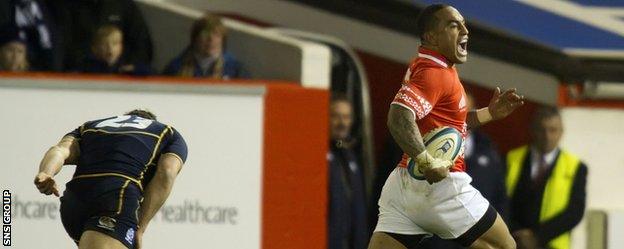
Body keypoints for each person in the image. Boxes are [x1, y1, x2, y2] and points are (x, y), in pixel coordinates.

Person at [368, 4, 524, 249]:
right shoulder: (435, 74)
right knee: (505, 246)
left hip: (403, 185)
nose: (465, 30)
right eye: (454, 25)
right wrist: (427, 161)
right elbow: (398, 117)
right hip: (442, 188)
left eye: (463, 24)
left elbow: (449, 122)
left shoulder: (430, 66)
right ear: (431, 36)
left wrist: (489, 113)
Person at [34, 110, 188, 249]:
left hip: (73, 202)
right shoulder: (167, 132)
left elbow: (61, 150)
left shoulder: (89, 127)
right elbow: (167, 172)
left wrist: (46, 172)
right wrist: (140, 229)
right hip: (115, 198)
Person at [418, 92, 509, 249]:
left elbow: (499, 197)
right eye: (457, 109)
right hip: (432, 241)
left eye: (468, 110)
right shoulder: (426, 141)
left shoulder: (488, 150)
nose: (463, 115)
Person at [505, 107, 587, 249]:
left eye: (553, 130)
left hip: (551, 243)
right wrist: (516, 233)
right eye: (541, 129)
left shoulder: (576, 167)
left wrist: (536, 237)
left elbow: (575, 212)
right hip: (512, 241)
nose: (547, 136)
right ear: (532, 130)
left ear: (561, 132)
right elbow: (499, 200)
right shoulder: (511, 159)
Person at [46, 0, 153, 71]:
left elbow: (143, 45)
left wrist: (124, 67)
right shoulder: (66, 6)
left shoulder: (123, 5)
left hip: (122, 78)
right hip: (81, 77)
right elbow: (63, 46)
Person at [328, 95, 368, 249]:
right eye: (335, 116)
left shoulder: (350, 157)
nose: (341, 123)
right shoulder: (319, 156)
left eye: (346, 117)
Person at [163, 13, 246, 79]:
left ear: (223, 40)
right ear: (195, 39)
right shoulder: (176, 68)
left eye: (216, 35)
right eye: (205, 35)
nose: (211, 40)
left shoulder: (236, 70)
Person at [0, 0, 61, 71]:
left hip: (42, 72)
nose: (15, 56)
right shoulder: (5, 5)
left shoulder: (49, 6)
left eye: (19, 52)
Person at [78, 25, 151, 76]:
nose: (110, 48)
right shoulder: (87, 66)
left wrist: (134, 69)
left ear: (121, 47)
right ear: (95, 49)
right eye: (104, 44)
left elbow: (152, 72)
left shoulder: (126, 65)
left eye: (115, 43)